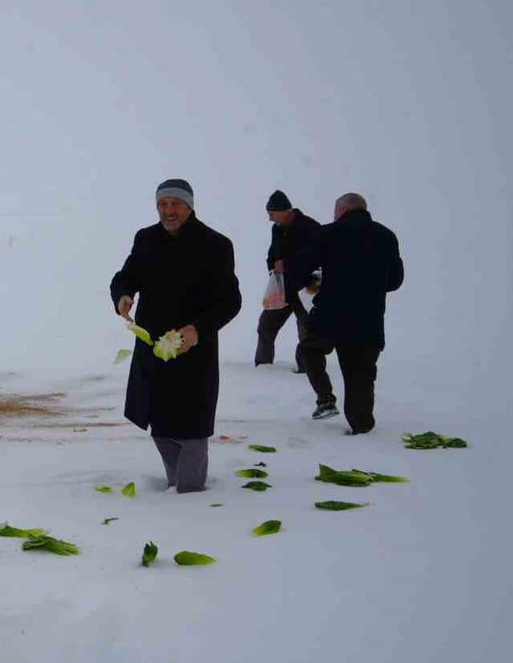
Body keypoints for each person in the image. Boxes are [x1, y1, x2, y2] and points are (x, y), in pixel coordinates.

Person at [110, 179, 242, 493]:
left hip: (192, 350)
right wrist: (123, 294)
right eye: (162, 204)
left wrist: (197, 330)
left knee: (191, 427)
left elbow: (230, 301)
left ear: (190, 206)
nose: (169, 211)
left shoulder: (215, 245)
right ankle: (174, 484)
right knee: (158, 422)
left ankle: (191, 496)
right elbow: (126, 275)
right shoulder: (146, 239)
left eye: (175, 204)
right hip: (152, 347)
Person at [297, 193, 403, 433]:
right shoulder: (386, 236)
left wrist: (315, 284)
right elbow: (396, 280)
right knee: (360, 376)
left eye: (335, 211)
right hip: (369, 319)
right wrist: (371, 285)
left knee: (309, 350)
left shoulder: (327, 233)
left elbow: (303, 268)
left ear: (343, 210)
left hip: (329, 316)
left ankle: (325, 398)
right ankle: (362, 426)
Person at [254, 190, 322, 372]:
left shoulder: (311, 227)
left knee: (307, 331)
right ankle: (262, 368)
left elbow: (317, 258)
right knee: (266, 325)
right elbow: (272, 255)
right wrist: (273, 268)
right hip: (283, 288)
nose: (270, 219)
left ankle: (308, 370)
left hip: (310, 286)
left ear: (284, 210)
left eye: (271, 214)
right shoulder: (276, 229)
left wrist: (288, 264)